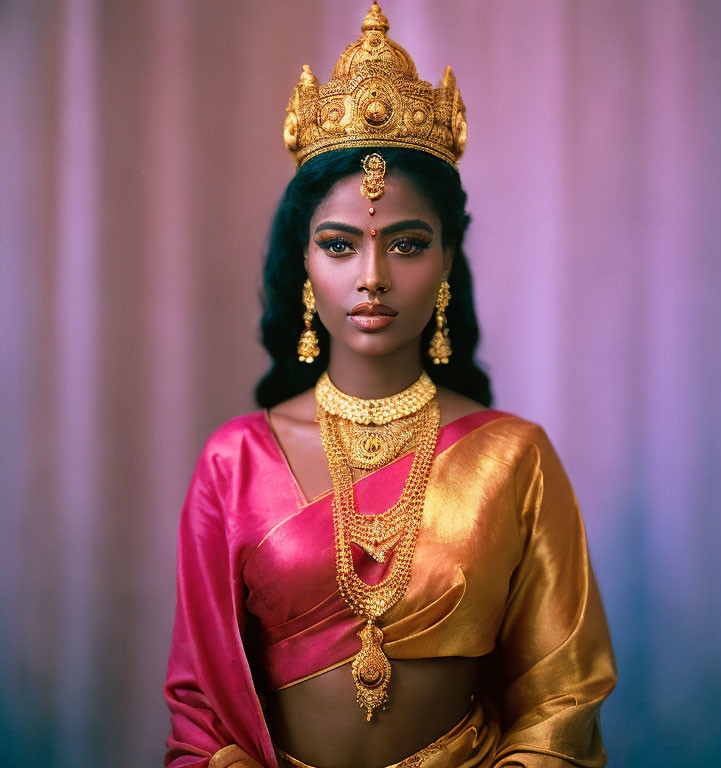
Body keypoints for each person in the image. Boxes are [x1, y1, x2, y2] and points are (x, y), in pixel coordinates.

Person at [163, 3, 617, 767]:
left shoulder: (514, 460)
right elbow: (204, 718)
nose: (372, 278)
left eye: (406, 244)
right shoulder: (233, 463)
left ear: (445, 263)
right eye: (340, 246)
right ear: (303, 265)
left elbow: (559, 701)